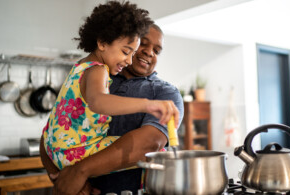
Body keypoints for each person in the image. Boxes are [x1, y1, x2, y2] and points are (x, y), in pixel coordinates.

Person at [40, 24, 184, 195]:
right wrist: (61, 179)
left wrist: (78, 172)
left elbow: (148, 144)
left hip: (130, 190)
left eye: (157, 50)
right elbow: (50, 133)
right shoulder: (97, 75)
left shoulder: (166, 93)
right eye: (142, 44)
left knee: (157, 150)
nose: (149, 52)